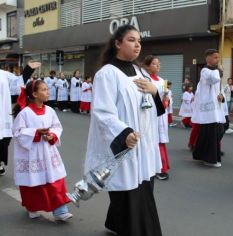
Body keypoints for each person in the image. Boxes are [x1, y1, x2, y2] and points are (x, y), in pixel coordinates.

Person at [84, 24, 164, 235]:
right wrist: (124, 133)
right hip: (126, 142)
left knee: (143, 187)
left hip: (144, 143)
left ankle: (116, 223)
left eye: (139, 41)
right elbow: (102, 112)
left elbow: (151, 105)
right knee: (128, 191)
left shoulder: (140, 71)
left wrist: (155, 91)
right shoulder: (106, 74)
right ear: (117, 43)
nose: (137, 45)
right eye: (131, 40)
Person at [12, 79, 72, 221]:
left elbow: (57, 126)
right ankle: (32, 207)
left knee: (55, 179)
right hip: (32, 154)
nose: (47, 92)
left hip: (48, 151)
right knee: (33, 182)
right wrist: (36, 133)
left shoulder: (50, 110)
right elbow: (18, 132)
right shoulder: (25, 113)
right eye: (44, 90)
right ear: (34, 94)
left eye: (47, 89)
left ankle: (60, 210)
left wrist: (52, 135)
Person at [0, 62, 40, 176]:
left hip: (2, 113)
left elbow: (17, 82)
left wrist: (28, 69)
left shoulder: (3, 74)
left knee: (4, 139)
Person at [191, 49, 226, 168]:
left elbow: (218, 87)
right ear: (208, 59)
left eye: (218, 57)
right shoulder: (205, 71)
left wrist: (222, 96)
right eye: (215, 57)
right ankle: (209, 159)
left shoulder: (214, 71)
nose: (218, 60)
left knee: (218, 130)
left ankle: (201, 154)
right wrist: (219, 70)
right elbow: (213, 79)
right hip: (209, 110)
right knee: (211, 133)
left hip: (216, 107)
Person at [142, 55, 171, 181]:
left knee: (160, 140)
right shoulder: (145, 79)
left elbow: (165, 98)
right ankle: (158, 167)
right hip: (150, 114)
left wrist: (166, 100)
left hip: (161, 114)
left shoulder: (161, 80)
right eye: (154, 64)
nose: (158, 66)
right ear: (147, 65)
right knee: (152, 140)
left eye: (159, 64)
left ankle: (161, 167)